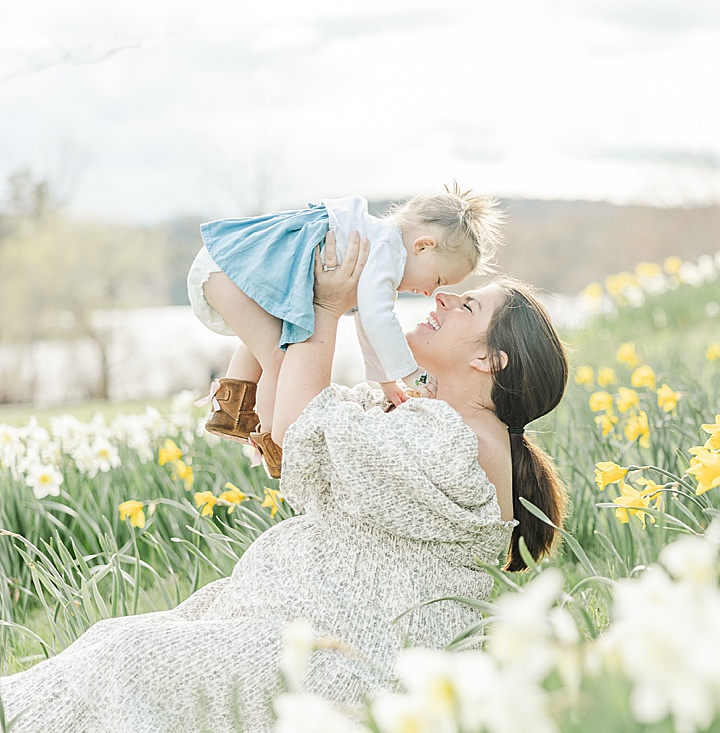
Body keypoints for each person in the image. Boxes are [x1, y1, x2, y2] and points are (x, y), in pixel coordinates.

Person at [0, 231, 568, 732]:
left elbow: (300, 423)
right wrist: (287, 308)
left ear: (490, 361)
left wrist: (323, 311)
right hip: (315, 631)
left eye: (466, 305)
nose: (441, 296)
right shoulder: (433, 417)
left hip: (353, 664)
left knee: (130, 658)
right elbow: (281, 419)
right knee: (115, 641)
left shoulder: (461, 440)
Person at [187, 183, 505, 475]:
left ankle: (230, 410)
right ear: (423, 246)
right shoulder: (386, 253)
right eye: (437, 280)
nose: (430, 292)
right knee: (281, 359)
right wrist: (411, 374)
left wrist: (386, 382)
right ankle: (277, 446)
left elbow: (371, 322)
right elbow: (380, 322)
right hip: (231, 268)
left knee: (276, 338)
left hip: (226, 265)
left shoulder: (379, 244)